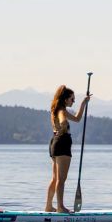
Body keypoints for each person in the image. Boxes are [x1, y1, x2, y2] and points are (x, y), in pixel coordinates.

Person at [46, 85, 91, 213]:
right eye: (72, 99)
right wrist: (64, 126)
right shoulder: (61, 111)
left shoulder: (55, 109)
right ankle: (60, 207)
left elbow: (77, 118)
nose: (73, 101)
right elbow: (63, 120)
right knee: (61, 179)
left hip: (54, 142)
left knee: (55, 178)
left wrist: (83, 103)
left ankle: (49, 206)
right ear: (65, 99)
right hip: (62, 143)